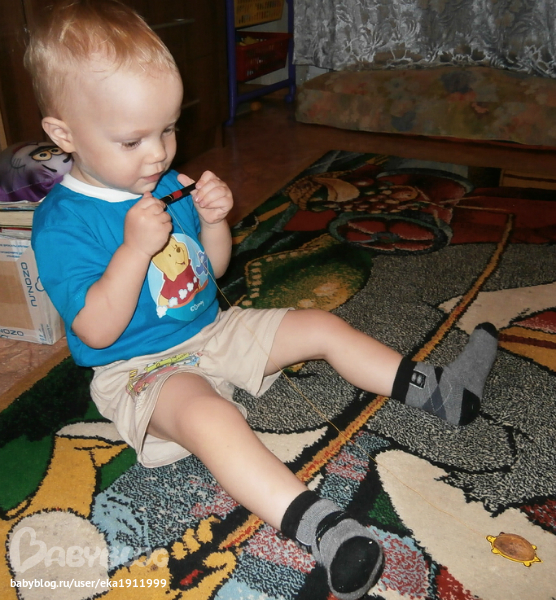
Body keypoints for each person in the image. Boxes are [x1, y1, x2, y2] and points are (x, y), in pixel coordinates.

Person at [25, 1, 499, 598]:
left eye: (167, 129)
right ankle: (324, 530)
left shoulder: (163, 183)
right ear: (63, 134)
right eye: (132, 140)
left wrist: (213, 222)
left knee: (319, 325)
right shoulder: (62, 223)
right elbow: (95, 331)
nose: (159, 154)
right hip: (140, 369)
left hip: (212, 330)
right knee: (211, 418)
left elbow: (213, 270)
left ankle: (441, 392)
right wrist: (133, 251)